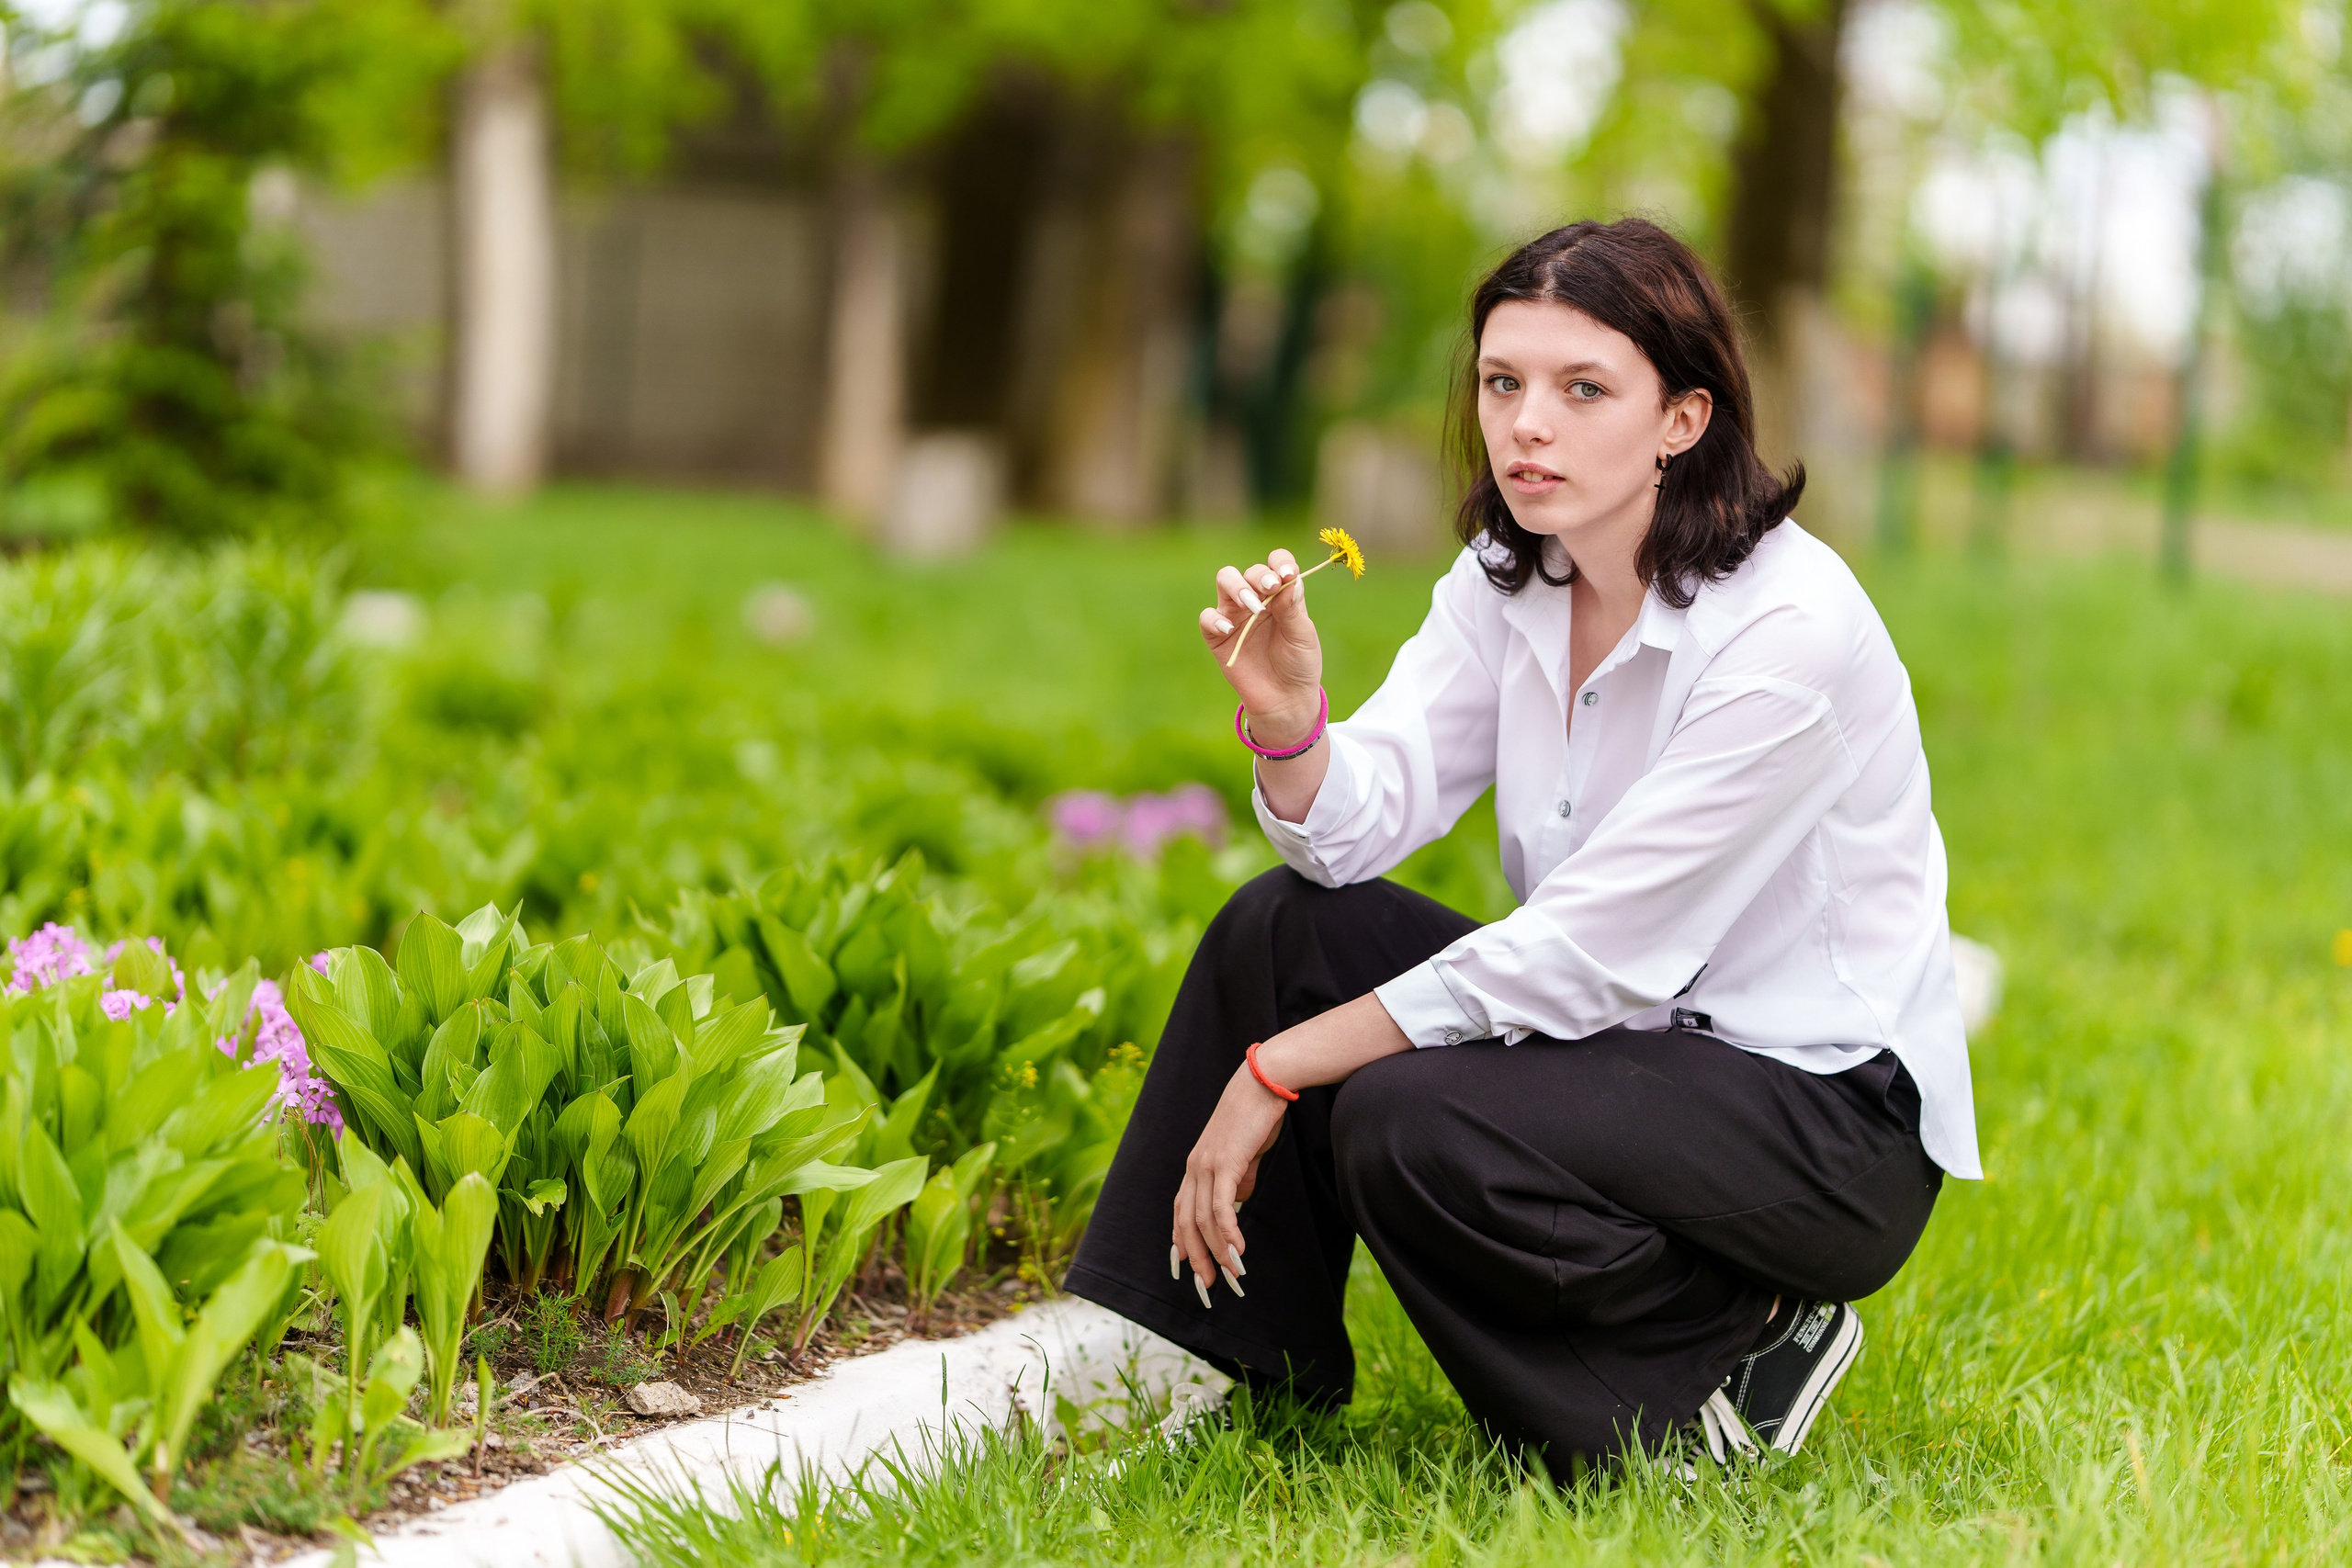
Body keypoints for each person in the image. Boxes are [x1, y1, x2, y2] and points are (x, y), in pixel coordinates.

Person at [1064, 217, 1980, 1476]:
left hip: (1821, 1123)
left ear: (1684, 418)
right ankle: (1224, 1363)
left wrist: (1279, 1071)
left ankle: (1723, 1358)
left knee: (1404, 1114)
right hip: (1633, 1055)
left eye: (1581, 388)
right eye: (1504, 383)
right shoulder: (1513, 576)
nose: (1525, 424)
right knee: (1283, 932)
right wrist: (1289, 726)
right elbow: (1354, 833)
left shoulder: (1790, 633)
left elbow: (1594, 955)